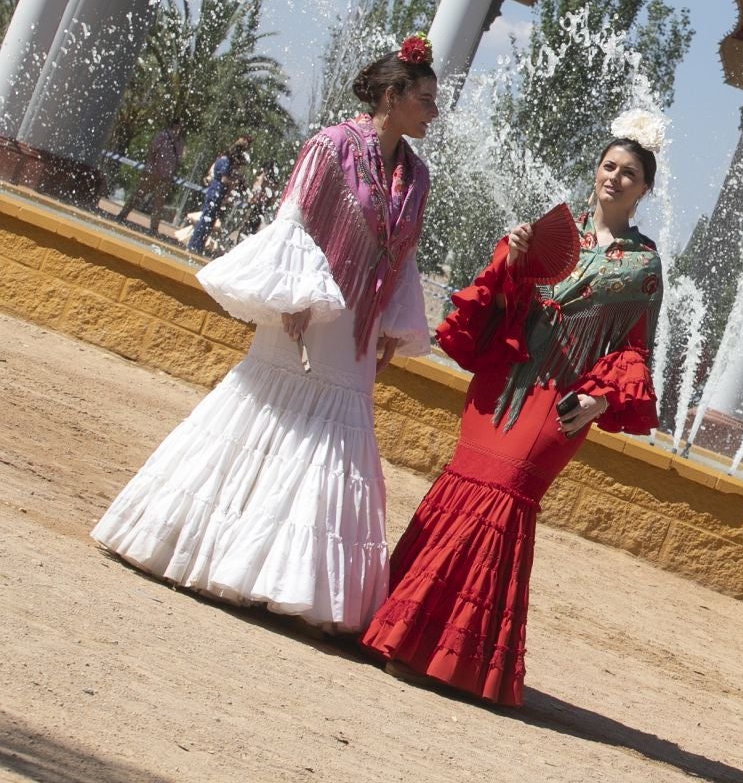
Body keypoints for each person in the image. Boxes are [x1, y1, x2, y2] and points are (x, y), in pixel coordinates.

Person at [93, 37, 438, 634]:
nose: (434, 113)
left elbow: (403, 258)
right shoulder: (329, 147)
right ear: (392, 96)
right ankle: (206, 548)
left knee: (338, 438)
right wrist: (295, 293)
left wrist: (393, 326)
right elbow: (294, 220)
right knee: (264, 415)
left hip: (357, 324)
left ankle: (288, 579)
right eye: (425, 100)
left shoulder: (418, 174)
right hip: (310, 308)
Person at [362, 113, 666, 704]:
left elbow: (636, 349)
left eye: (630, 173)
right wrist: (512, 254)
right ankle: (401, 634)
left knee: (503, 496)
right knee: (463, 486)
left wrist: (601, 399)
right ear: (595, 170)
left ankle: (451, 659)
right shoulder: (554, 228)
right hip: (504, 380)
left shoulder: (644, 266)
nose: (615, 177)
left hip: (560, 403)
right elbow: (502, 292)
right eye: (609, 166)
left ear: (645, 189)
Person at [186, 134, 252, 254]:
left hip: (217, 193)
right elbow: (224, 179)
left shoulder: (225, 160)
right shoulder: (225, 161)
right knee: (206, 219)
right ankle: (193, 245)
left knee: (210, 221)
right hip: (216, 191)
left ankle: (198, 245)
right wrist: (236, 180)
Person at [119, 119, 186, 232]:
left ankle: (154, 228)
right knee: (138, 194)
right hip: (152, 172)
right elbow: (152, 150)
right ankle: (122, 214)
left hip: (166, 177)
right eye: (179, 126)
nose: (180, 129)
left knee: (159, 203)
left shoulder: (180, 142)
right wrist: (153, 166)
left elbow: (178, 160)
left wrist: (171, 175)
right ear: (174, 125)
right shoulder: (163, 136)